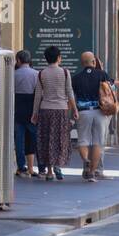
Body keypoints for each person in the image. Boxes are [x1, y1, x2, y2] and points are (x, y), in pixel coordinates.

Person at [32, 45, 78, 181]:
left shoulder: (41, 73)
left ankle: (50, 171)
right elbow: (69, 92)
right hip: (61, 110)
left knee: (47, 139)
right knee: (61, 138)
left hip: (45, 110)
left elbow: (38, 95)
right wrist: (74, 109)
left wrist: (34, 113)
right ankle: (58, 165)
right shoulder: (65, 72)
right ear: (59, 58)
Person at [71, 51, 112, 183]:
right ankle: (92, 172)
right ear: (94, 62)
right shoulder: (101, 74)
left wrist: (73, 111)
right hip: (100, 112)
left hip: (83, 112)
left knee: (83, 140)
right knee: (97, 143)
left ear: (82, 63)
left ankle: (85, 160)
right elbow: (110, 90)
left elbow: (72, 96)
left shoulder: (76, 78)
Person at [14, 50, 42, 178]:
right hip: (32, 109)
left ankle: (21, 166)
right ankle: (41, 166)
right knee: (36, 138)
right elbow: (40, 94)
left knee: (19, 140)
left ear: (18, 60)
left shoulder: (12, 74)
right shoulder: (37, 74)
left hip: (17, 109)